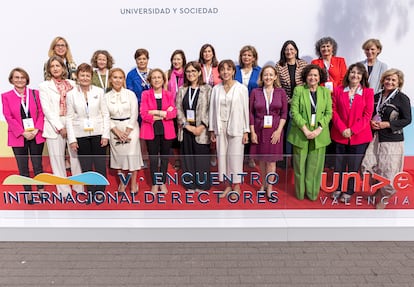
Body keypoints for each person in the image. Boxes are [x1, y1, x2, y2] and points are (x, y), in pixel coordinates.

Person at [361, 69, 412, 209]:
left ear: (398, 83)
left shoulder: (402, 98)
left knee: (388, 172)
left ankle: (384, 196)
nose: (389, 82)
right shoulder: (376, 96)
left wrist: (388, 124)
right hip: (376, 137)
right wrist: (371, 122)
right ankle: (378, 189)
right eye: (387, 79)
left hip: (392, 140)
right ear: (383, 80)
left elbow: (407, 119)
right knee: (367, 166)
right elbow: (370, 113)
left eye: (393, 80)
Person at [39, 55, 83, 197]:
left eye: (58, 65)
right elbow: (47, 110)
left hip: (72, 123)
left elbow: (77, 105)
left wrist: (71, 124)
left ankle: (79, 188)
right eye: (52, 66)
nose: (55, 68)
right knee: (57, 160)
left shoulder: (72, 84)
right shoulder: (44, 86)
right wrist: (60, 127)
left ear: (63, 68)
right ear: (49, 69)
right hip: (54, 126)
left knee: (75, 158)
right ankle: (64, 193)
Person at [287, 64, 332, 201]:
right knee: (299, 166)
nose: (312, 78)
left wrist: (319, 129)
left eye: (315, 75)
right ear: (306, 77)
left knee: (316, 166)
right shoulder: (299, 90)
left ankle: (312, 193)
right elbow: (294, 112)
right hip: (301, 133)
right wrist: (305, 129)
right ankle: (300, 194)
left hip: (320, 135)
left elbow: (329, 113)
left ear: (320, 78)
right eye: (310, 75)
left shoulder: (325, 92)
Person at [330, 63, 374, 203]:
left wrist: (352, 130)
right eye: (353, 72)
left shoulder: (368, 92)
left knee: (354, 165)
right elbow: (333, 111)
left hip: (359, 136)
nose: (355, 75)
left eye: (358, 73)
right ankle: (338, 187)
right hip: (340, 134)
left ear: (362, 77)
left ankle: (349, 190)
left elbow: (367, 115)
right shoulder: (338, 90)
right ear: (348, 74)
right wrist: (343, 129)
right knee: (339, 164)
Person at [66, 63, 110, 201]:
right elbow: (69, 117)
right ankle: (91, 192)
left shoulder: (99, 91)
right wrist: (72, 139)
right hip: (80, 134)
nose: (85, 78)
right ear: (77, 76)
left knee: (100, 165)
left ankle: (100, 192)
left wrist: (105, 135)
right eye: (82, 75)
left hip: (98, 133)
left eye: (87, 75)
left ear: (91, 77)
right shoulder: (71, 94)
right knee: (86, 165)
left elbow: (105, 114)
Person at [2, 68, 45, 204]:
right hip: (18, 136)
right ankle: (28, 192)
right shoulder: (6, 96)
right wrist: (23, 132)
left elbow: (41, 112)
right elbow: (8, 116)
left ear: (27, 79)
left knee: (37, 165)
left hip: (35, 134)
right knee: (23, 166)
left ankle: (40, 189)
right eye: (16, 77)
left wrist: (37, 129)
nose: (20, 80)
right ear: (11, 80)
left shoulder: (35, 93)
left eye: (22, 77)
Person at [209, 60, 250, 199]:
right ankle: (227, 186)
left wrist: (246, 130)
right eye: (223, 69)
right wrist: (212, 129)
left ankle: (236, 186)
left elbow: (246, 110)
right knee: (222, 157)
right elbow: (212, 110)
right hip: (220, 127)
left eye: (229, 69)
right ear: (219, 72)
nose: (225, 72)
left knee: (235, 157)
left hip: (237, 126)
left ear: (233, 71)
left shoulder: (241, 89)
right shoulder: (216, 89)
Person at [249, 65, 287, 198]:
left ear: (275, 76)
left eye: (271, 74)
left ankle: (270, 187)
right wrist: (252, 132)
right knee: (261, 160)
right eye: (266, 74)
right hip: (259, 129)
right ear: (262, 77)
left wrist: (279, 131)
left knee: (271, 161)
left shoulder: (281, 92)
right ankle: (263, 184)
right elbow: (251, 113)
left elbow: (284, 113)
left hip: (275, 130)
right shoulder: (255, 92)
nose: (268, 77)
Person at [105, 68, 143, 194]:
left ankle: (133, 184)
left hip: (131, 128)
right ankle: (122, 183)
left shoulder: (130, 94)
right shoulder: (105, 97)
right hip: (114, 128)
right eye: (115, 77)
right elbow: (105, 116)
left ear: (124, 80)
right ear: (111, 79)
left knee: (132, 156)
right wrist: (117, 131)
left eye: (120, 77)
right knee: (119, 158)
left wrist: (126, 132)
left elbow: (134, 113)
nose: (117, 80)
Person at [176, 61, 212, 192]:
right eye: (188, 71)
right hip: (186, 130)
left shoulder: (207, 89)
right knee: (187, 159)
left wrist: (202, 126)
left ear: (198, 73)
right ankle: (190, 185)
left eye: (193, 71)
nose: (190, 74)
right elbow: (178, 109)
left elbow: (210, 110)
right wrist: (187, 125)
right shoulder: (182, 89)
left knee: (201, 159)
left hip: (201, 131)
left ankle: (202, 185)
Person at [140, 68, 177, 194]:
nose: (156, 80)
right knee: (154, 158)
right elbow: (144, 114)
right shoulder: (145, 94)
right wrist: (164, 114)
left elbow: (173, 113)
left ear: (163, 80)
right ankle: (155, 183)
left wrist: (155, 112)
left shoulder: (169, 95)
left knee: (165, 158)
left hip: (167, 131)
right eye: (154, 77)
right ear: (150, 80)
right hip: (151, 130)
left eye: (159, 77)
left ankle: (163, 182)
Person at [276, 40, 308, 168]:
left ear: (296, 50)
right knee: (286, 132)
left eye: (291, 49)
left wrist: (299, 101)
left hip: (301, 104)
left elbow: (307, 83)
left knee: (299, 131)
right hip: (286, 103)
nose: (289, 52)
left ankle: (298, 160)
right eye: (287, 49)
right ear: (284, 52)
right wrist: (290, 101)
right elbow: (279, 86)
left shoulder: (304, 64)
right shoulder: (279, 66)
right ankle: (285, 160)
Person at [235, 45, 261, 168]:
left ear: (254, 57)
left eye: (249, 55)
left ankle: (251, 157)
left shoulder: (259, 71)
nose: (246, 57)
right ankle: (239, 156)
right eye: (244, 55)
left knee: (252, 130)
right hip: (237, 106)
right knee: (239, 131)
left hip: (253, 105)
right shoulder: (235, 70)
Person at [165, 49, 186, 170]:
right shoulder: (168, 73)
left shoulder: (187, 73)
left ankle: (186, 159)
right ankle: (177, 159)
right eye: (174, 59)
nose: (176, 61)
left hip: (184, 109)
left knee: (184, 135)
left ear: (183, 60)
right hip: (171, 109)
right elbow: (165, 91)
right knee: (174, 137)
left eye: (178, 59)